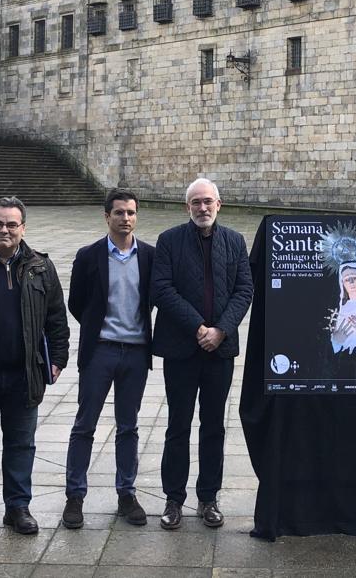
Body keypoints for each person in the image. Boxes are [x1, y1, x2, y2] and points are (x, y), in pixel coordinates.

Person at [0, 197, 70, 540]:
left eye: (11, 224)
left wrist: (57, 359)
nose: (4, 230)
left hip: (25, 373)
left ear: (23, 228)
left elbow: (56, 317)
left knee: (22, 444)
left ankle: (18, 507)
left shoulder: (40, 267)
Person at [151, 178, 252, 530]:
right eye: (195, 202)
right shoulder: (169, 240)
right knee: (177, 426)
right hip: (181, 349)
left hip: (219, 351)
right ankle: (173, 499)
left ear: (219, 204)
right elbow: (162, 289)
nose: (202, 208)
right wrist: (198, 327)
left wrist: (221, 330)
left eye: (208, 201)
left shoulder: (235, 241)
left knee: (213, 427)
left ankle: (208, 498)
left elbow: (244, 289)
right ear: (187, 207)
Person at [62, 189, 155, 530]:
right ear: (107, 216)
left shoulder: (150, 256)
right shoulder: (88, 256)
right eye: (119, 213)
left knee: (128, 426)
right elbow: (77, 303)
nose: (125, 218)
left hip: (136, 351)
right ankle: (75, 496)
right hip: (99, 350)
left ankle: (126, 494)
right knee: (85, 424)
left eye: (130, 213)